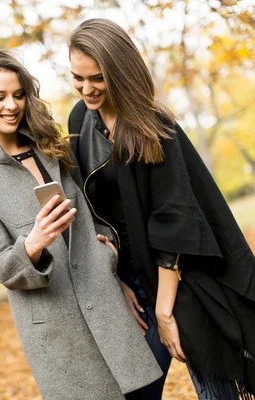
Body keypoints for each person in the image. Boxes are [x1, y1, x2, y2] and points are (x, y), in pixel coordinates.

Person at [0, 49, 162, 399]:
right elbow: (2, 267)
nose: (11, 105)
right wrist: (33, 244)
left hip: (107, 301)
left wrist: (109, 255)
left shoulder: (53, 149)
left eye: (19, 95)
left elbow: (96, 210)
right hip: (59, 330)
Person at [67, 18, 255, 400]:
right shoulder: (79, 121)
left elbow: (175, 218)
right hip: (131, 283)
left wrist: (166, 313)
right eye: (77, 77)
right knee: (135, 391)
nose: (87, 88)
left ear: (119, 71)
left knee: (218, 387)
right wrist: (116, 278)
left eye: (98, 78)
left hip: (182, 279)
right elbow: (91, 210)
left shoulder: (153, 124)